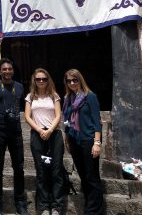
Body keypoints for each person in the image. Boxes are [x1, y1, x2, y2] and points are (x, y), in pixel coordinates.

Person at [0, 58, 30, 215]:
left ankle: (20, 201)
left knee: (19, 168)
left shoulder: (19, 87)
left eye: (10, 69)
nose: (7, 72)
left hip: (16, 132)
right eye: (4, 69)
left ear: (13, 71)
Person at [62, 69, 103, 215]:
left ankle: (94, 211)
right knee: (83, 176)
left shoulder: (89, 97)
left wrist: (97, 143)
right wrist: (67, 139)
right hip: (74, 140)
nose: (72, 83)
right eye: (69, 81)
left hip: (88, 139)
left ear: (80, 80)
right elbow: (66, 122)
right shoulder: (68, 99)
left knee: (92, 176)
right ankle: (89, 207)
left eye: (75, 80)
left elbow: (97, 122)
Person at [24, 69, 64, 215]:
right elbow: (27, 116)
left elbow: (58, 115)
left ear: (48, 80)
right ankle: (44, 206)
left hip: (54, 135)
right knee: (41, 171)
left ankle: (57, 206)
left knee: (56, 170)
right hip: (37, 135)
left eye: (44, 79)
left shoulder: (54, 96)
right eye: (38, 79)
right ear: (34, 81)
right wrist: (40, 130)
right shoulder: (30, 97)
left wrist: (49, 131)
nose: (41, 81)